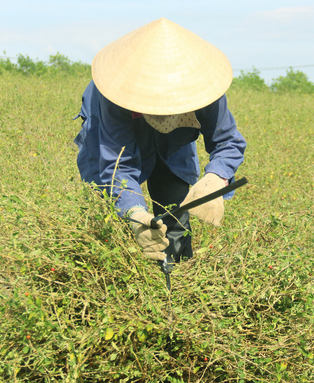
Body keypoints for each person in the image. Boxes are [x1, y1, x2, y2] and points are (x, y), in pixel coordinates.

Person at [73, 18, 246, 263]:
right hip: (110, 131)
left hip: (175, 142)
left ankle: (175, 275)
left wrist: (216, 178)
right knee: (114, 212)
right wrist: (135, 214)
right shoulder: (114, 95)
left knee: (174, 214)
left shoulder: (205, 90)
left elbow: (228, 142)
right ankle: (114, 273)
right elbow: (117, 166)